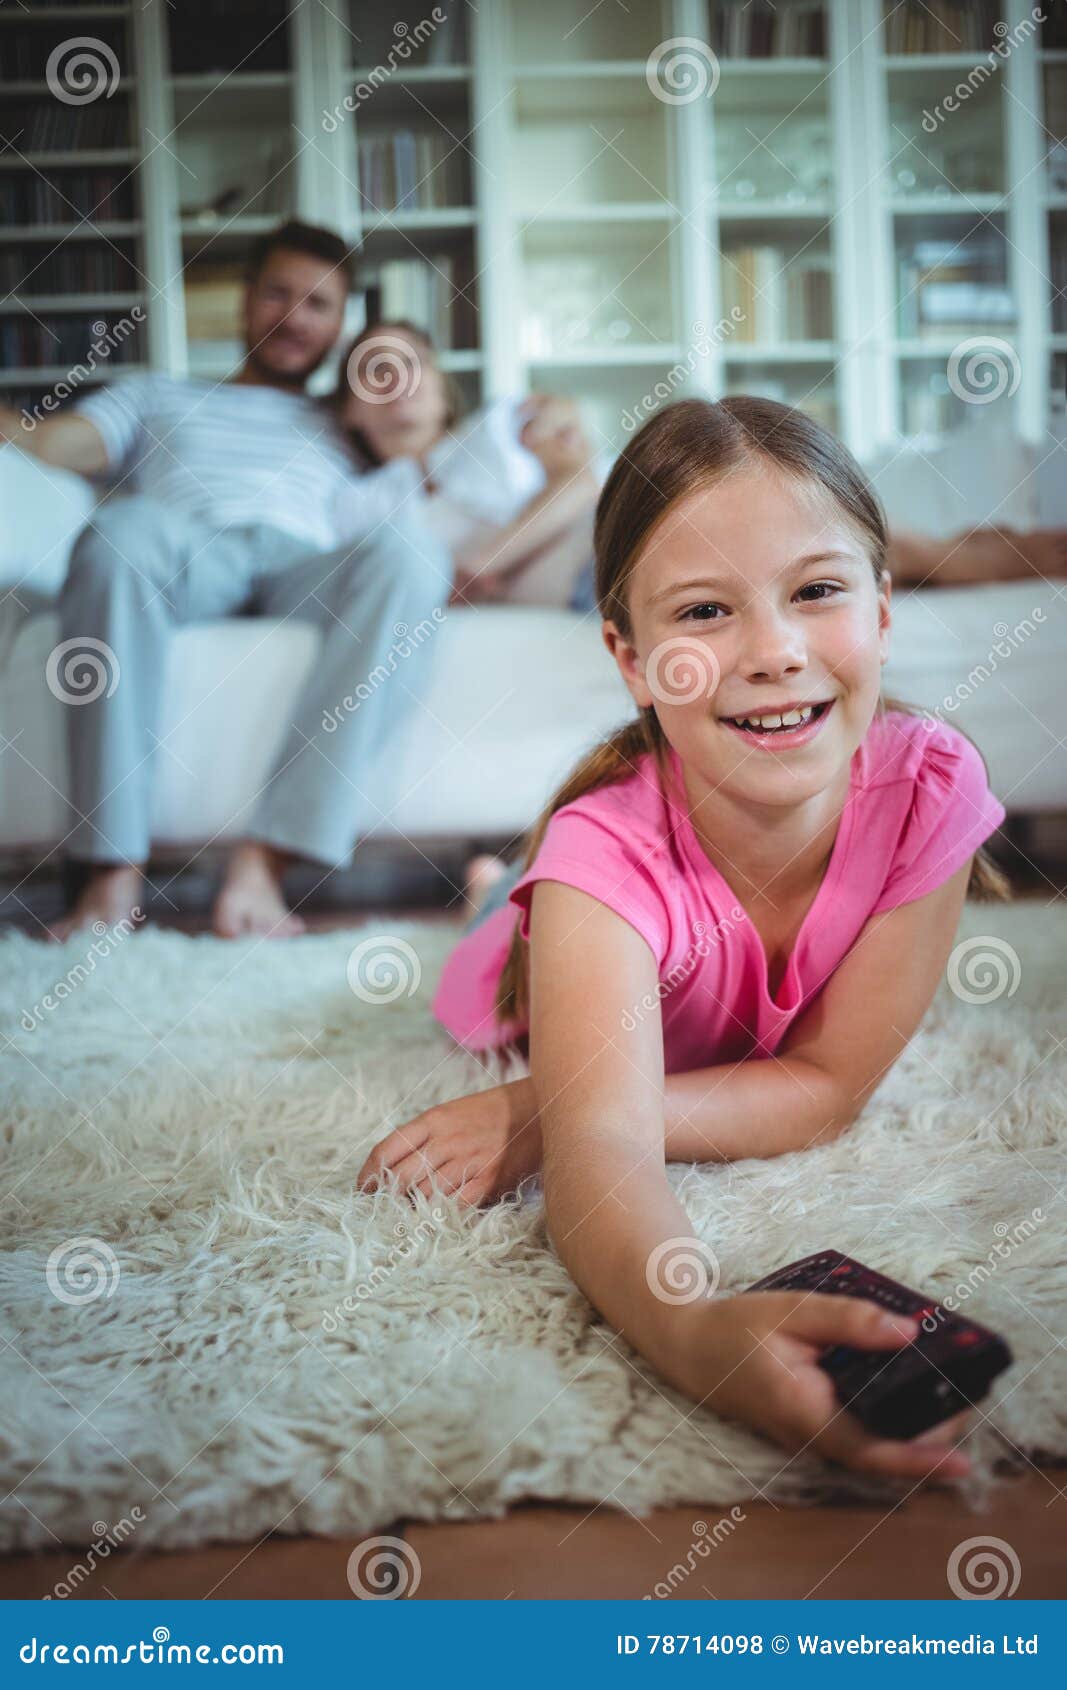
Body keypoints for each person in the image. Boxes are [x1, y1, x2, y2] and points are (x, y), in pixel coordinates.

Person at [357, 395, 1011, 1482]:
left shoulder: (931, 785)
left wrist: (544, 1109)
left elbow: (823, 1087)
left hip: (613, 909)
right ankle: (493, 891)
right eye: (704, 611)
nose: (774, 652)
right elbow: (604, 1161)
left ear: (882, 610)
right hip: (548, 918)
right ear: (631, 658)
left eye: (816, 591)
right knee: (507, 908)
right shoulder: (600, 859)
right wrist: (691, 1325)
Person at [0, 222, 453, 940]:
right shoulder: (155, 394)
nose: (294, 317)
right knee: (120, 531)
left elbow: (437, 452)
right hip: (187, 551)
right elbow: (49, 444)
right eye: (278, 293)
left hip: (306, 566)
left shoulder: (350, 420)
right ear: (243, 299)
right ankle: (111, 873)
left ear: (340, 325)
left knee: (413, 554)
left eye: (318, 303)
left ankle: (265, 863)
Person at [333, 321, 602, 609]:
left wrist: (479, 566)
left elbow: (580, 484)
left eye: (413, 361)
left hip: (600, 557)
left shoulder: (506, 421)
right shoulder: (357, 505)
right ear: (348, 408)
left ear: (441, 387)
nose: (398, 376)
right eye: (375, 368)